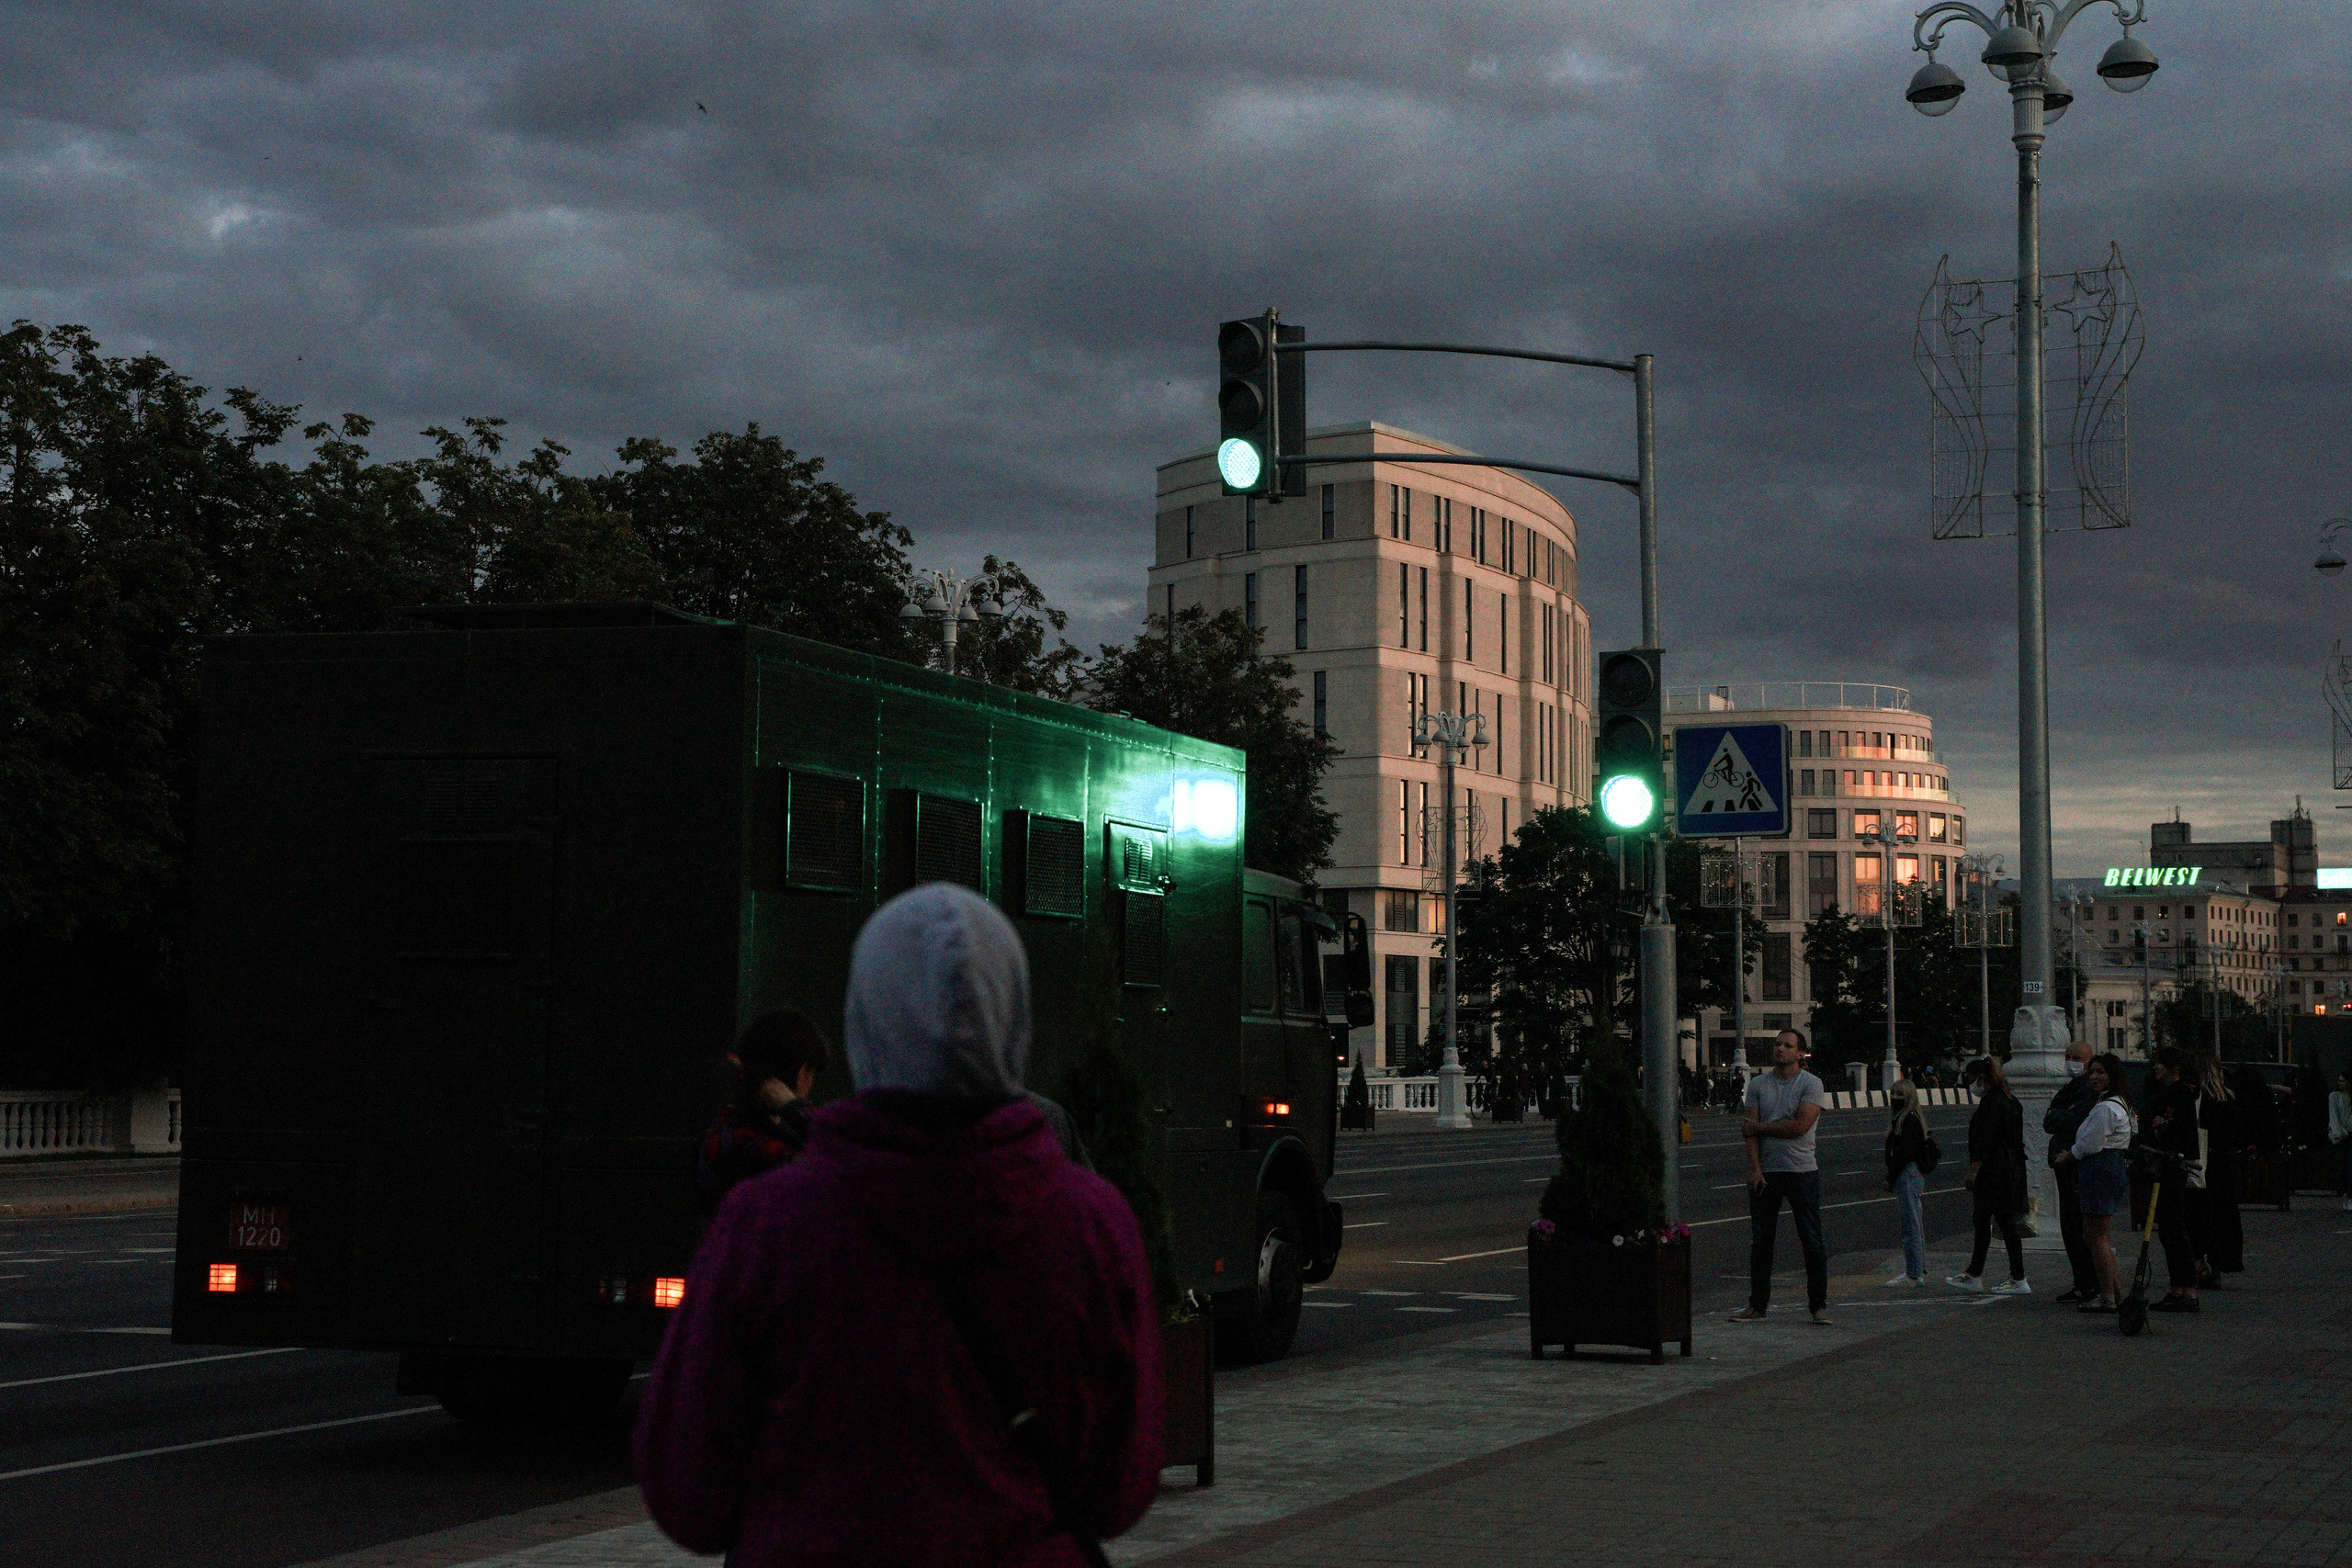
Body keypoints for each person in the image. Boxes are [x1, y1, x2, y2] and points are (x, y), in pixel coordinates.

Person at [636, 885, 1163, 1566]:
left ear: (865, 1021)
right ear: (1015, 1018)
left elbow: (689, 1493)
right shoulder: (1092, 1226)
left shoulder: (766, 1226)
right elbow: (1118, 1490)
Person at [1729, 1029, 1832, 1325]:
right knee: (1761, 1242)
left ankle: (1818, 1306)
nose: (1780, 1050)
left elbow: (1799, 1126)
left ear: (1800, 1053)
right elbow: (1747, 1133)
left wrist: (1760, 1128)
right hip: (1767, 1174)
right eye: (1777, 1045)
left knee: (1812, 1241)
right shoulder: (1759, 1085)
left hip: (1802, 1172)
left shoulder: (1811, 1084)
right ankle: (1757, 1305)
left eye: (1787, 1046)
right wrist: (1754, 1169)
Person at [695, 1009, 829, 1216]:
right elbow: (841, 1166)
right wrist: (794, 1106)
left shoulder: (731, 1130)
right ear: (804, 1072)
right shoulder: (747, 1143)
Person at [2052, 1052, 2134, 1312]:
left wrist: (2070, 1154)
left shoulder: (2107, 1107)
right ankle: (2117, 1293)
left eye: (2101, 1072)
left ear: (2113, 1076)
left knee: (2097, 1237)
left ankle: (2109, 1296)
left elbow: (2091, 1142)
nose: (2095, 1077)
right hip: (2106, 1166)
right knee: (2095, 1236)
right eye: (2093, 1072)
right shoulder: (2117, 1103)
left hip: (2100, 1167)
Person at [1946, 1056, 2030, 1296]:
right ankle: (1984, 1273)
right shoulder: (2010, 1101)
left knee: (1988, 1221)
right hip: (2010, 1170)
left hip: (1994, 1172)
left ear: (1982, 1078)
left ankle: (2009, 1276)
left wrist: (1974, 1171)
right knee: (2001, 1222)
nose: (1972, 1085)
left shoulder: (1991, 1104)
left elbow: (1985, 1141)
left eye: (1972, 1080)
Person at [2141, 1044, 2202, 1314]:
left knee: (2175, 1228)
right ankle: (2177, 1288)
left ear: (2173, 1069)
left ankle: (2188, 1290)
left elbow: (2179, 1132)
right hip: (2165, 1163)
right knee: (2167, 1230)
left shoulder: (2181, 1095)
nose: (2156, 1068)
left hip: (2173, 1165)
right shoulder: (2168, 1094)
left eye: (2160, 1064)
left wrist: (2161, 1127)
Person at [2041, 1035, 2102, 1304]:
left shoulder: (2088, 1091)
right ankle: (2082, 1283)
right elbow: (2049, 1119)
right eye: (2067, 1057)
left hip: (2076, 1162)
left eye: (2076, 1059)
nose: (2070, 1063)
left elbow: (2077, 1120)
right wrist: (2062, 1114)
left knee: (2080, 1226)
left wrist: (2063, 1114)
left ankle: (2091, 1284)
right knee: (2069, 1225)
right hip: (2062, 1161)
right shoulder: (2069, 1089)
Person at [2189, 1053, 2241, 1287]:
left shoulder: (2199, 1097)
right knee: (2221, 1215)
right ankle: (2218, 1265)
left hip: (2204, 1161)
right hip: (2223, 1163)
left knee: (2200, 1214)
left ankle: (2201, 1265)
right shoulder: (2226, 1096)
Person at [1882, 1077, 1933, 1287]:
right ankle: (1917, 1269)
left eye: (1900, 1095)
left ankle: (1913, 1274)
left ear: (1909, 1097)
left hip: (1908, 1175)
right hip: (1910, 1175)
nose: (1895, 1098)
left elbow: (1904, 1154)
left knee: (1910, 1227)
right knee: (1915, 1225)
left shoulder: (1908, 1119)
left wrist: (1890, 1178)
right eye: (1893, 1094)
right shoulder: (1904, 1117)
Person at [2330, 1071, 2352, 1212]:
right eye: (2339, 1081)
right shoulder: (2334, 1096)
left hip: (2351, 1134)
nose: (2340, 1083)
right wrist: (2338, 1132)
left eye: (2343, 1081)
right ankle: (2346, 1193)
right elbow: (2333, 1115)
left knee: (2350, 1166)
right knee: (2341, 1167)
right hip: (2340, 1136)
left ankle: (2349, 1196)